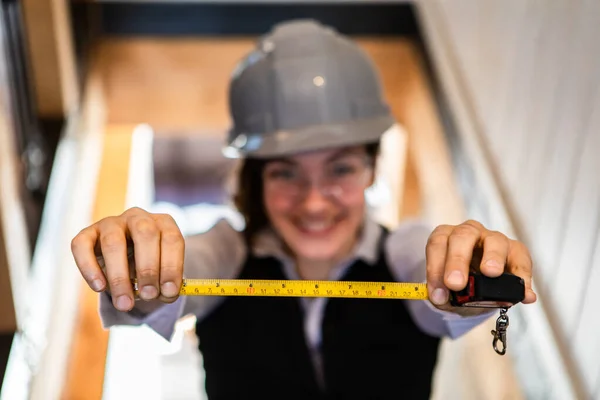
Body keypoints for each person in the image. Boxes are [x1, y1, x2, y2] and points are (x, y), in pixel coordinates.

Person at [70, 19, 536, 400]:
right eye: (285, 173)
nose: (314, 201)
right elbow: (177, 282)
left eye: (340, 168)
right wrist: (142, 269)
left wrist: (472, 274)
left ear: (373, 168)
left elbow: (446, 300)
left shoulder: (407, 252)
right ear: (257, 179)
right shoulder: (226, 251)